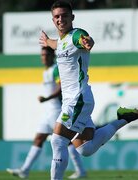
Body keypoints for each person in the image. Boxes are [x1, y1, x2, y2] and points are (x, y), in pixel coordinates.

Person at [39, 1, 138, 179]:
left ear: (72, 17)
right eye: (57, 16)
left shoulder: (77, 35)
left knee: (57, 140)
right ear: (53, 20)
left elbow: (84, 40)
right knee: (85, 148)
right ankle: (123, 119)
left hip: (78, 99)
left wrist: (88, 41)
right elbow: (57, 45)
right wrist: (47, 41)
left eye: (65, 15)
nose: (61, 19)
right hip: (75, 101)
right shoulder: (60, 42)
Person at [6, 47, 87, 179]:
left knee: (67, 140)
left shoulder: (55, 69)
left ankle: (81, 170)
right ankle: (25, 170)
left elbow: (62, 87)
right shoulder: (46, 72)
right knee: (39, 139)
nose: (43, 57)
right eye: (42, 55)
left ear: (52, 56)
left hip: (56, 110)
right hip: (48, 112)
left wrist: (47, 98)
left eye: (46, 54)